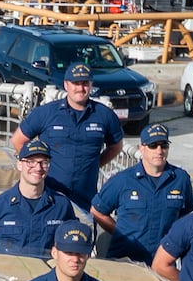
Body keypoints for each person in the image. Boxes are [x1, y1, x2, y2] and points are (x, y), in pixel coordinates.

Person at [10, 59, 126, 214]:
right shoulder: (46, 113)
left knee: (83, 235)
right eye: (75, 83)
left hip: (85, 197)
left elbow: (116, 147)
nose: (80, 88)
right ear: (66, 85)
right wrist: (34, 167)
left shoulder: (105, 116)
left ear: (91, 85)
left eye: (85, 83)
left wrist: (93, 164)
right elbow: (18, 140)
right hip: (49, 195)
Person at [88, 122, 193, 264]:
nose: (159, 150)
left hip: (161, 262)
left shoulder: (180, 179)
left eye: (163, 145)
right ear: (142, 148)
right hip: (125, 260)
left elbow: (186, 210)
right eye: (153, 145)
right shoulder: (123, 180)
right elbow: (97, 210)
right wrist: (120, 233)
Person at [0, 140, 80, 259]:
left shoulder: (61, 206)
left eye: (44, 162)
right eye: (30, 162)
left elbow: (74, 245)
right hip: (9, 274)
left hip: (45, 275)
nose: (38, 168)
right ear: (19, 164)